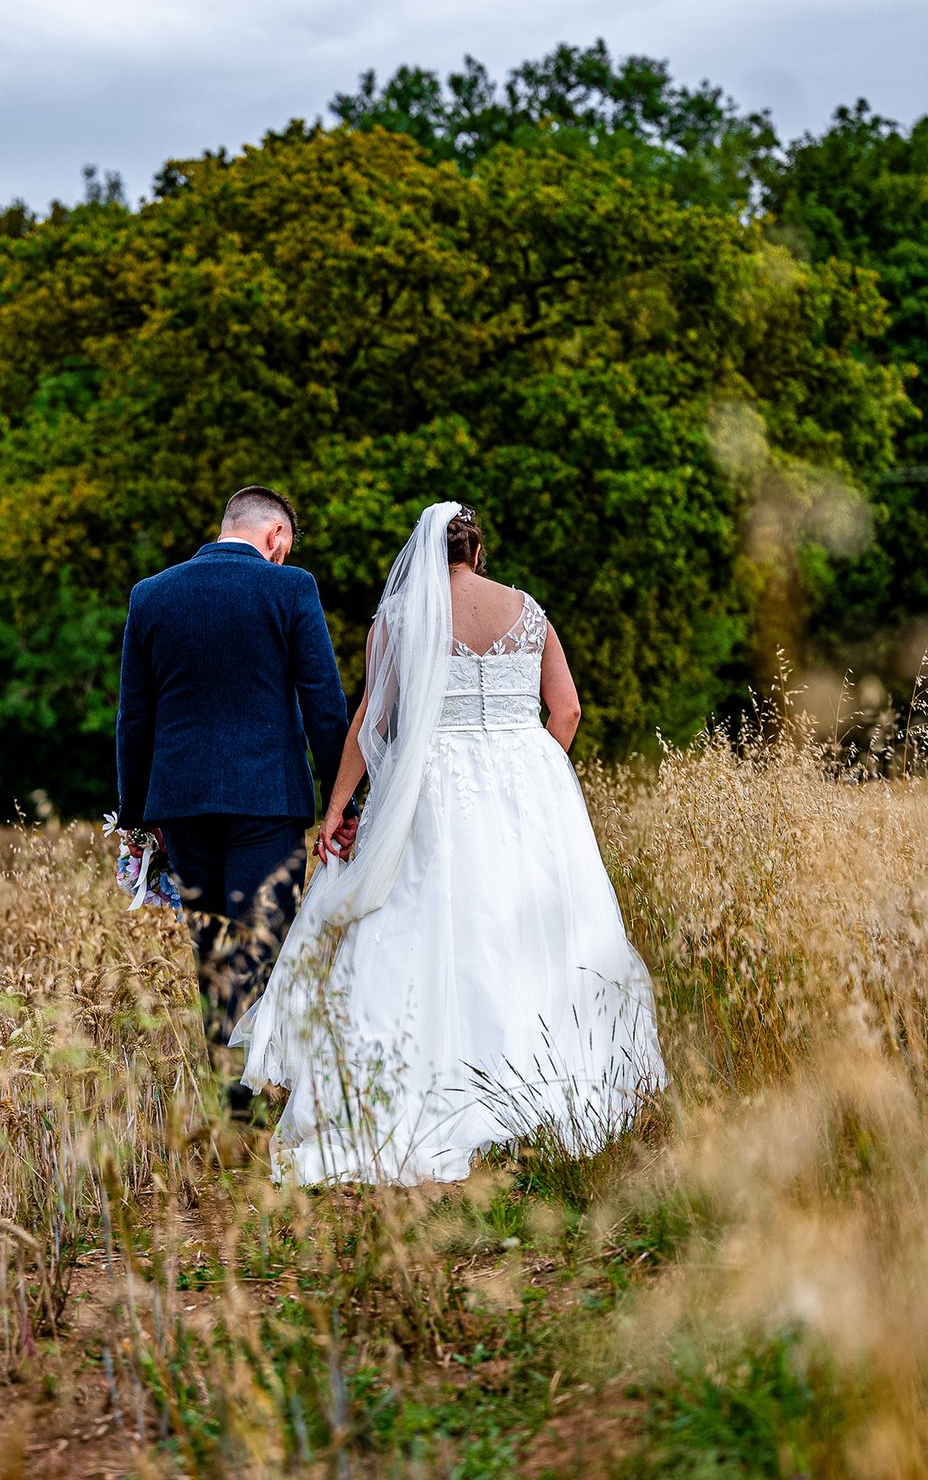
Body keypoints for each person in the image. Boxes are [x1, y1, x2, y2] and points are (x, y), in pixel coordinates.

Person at [233, 501, 664, 1184]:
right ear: (478, 551)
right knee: (537, 933)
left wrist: (339, 805)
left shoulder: (401, 618)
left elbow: (372, 720)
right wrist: (532, 773)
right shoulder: (531, 612)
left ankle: (413, 1095)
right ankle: (544, 1097)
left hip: (433, 784)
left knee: (427, 926)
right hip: (528, 782)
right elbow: (568, 709)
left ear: (427, 555)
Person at [115, 488, 350, 1105]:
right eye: (286, 546)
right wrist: (342, 805)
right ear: (275, 534)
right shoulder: (291, 589)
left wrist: (138, 818)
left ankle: (230, 1095)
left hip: (181, 804)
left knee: (213, 945)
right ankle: (255, 1095)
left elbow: (133, 718)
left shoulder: (152, 595)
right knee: (260, 941)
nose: (284, 556)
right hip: (266, 798)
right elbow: (324, 704)